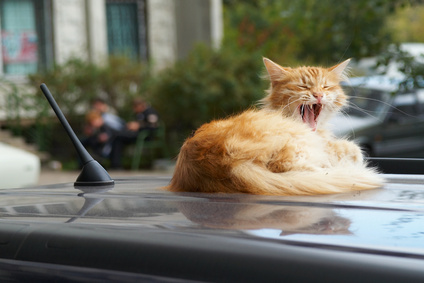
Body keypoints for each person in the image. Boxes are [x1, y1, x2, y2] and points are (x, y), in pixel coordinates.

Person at [110, 98, 160, 168]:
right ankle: (116, 165)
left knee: (118, 135)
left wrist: (139, 126)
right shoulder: (138, 114)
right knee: (118, 138)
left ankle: (116, 164)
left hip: (145, 136)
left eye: (135, 107)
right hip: (135, 135)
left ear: (141, 105)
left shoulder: (150, 112)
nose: (134, 109)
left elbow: (153, 127)